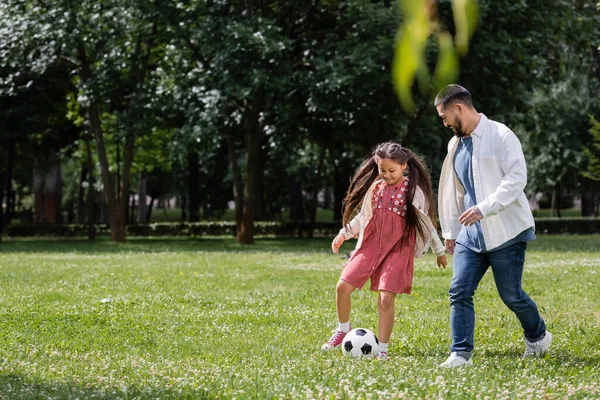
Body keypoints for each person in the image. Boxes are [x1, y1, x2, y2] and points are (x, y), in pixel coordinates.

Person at [434, 84, 552, 368]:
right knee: (459, 290)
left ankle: (538, 336)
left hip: (506, 232)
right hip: (470, 236)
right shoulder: (455, 145)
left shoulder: (501, 135)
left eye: (445, 116)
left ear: (459, 108)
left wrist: (484, 208)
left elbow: (516, 179)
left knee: (511, 296)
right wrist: (450, 232)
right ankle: (460, 354)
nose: (445, 123)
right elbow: (453, 191)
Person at [321, 142, 447, 360]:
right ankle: (342, 330)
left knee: (386, 299)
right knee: (342, 286)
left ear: (404, 166)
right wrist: (344, 233)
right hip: (370, 246)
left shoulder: (413, 192)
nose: (386, 175)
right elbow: (363, 217)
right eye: (382, 170)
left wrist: (439, 250)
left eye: (392, 170)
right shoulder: (376, 188)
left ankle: (383, 349)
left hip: (398, 250)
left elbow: (425, 223)